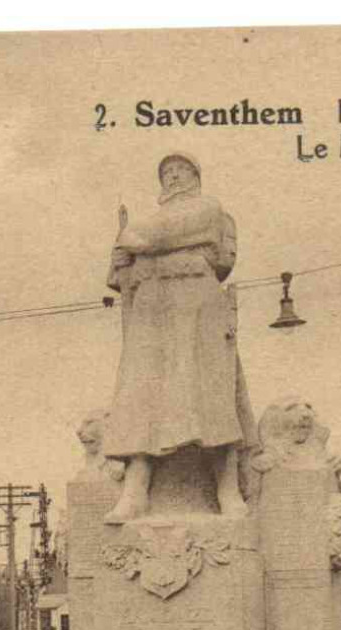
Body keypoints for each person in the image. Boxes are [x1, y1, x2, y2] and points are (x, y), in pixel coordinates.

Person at [103, 152, 255, 523]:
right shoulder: (143, 222)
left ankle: (227, 490)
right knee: (140, 394)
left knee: (210, 394)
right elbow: (118, 268)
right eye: (166, 172)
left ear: (195, 175)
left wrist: (134, 240)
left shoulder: (209, 209)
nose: (172, 177)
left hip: (195, 301)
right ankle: (135, 490)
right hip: (151, 306)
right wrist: (121, 257)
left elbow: (158, 237)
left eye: (180, 170)